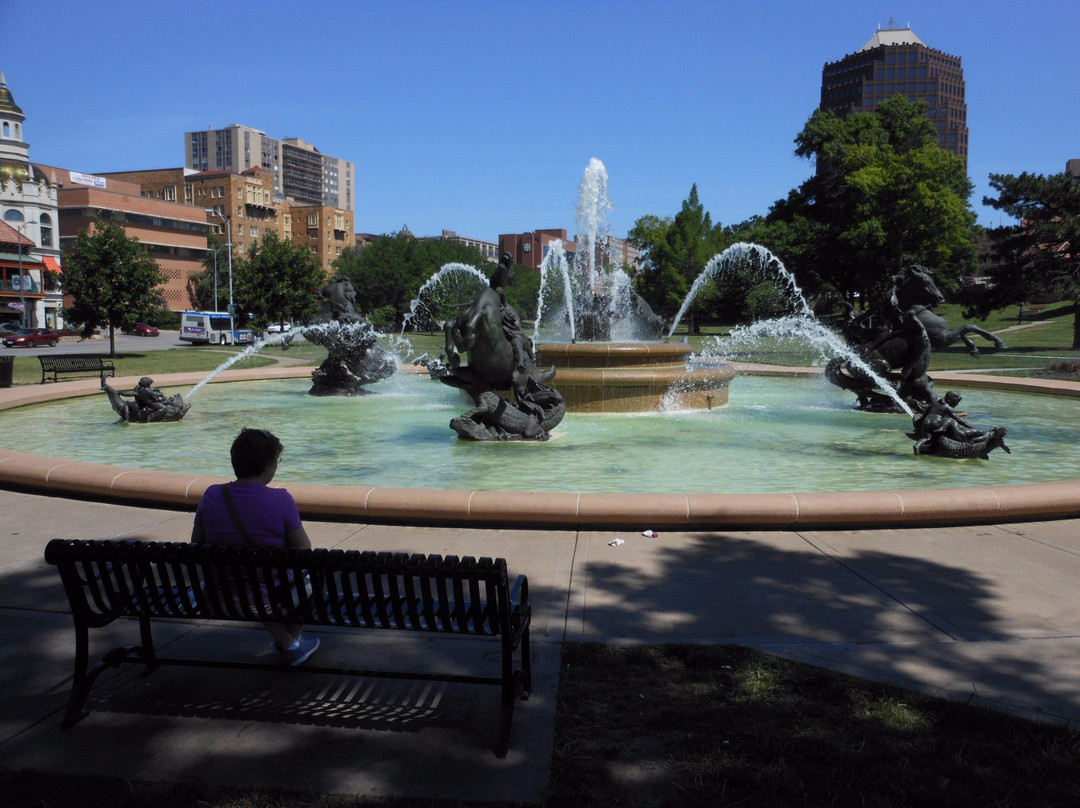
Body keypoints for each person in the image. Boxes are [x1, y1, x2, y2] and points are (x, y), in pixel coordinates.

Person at [190, 428, 319, 666]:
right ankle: (292, 643)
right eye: (277, 461)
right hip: (267, 599)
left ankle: (290, 642)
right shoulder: (281, 499)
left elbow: (196, 544)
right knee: (311, 578)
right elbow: (304, 551)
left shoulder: (212, 494)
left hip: (217, 596)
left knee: (258, 583)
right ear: (269, 464)